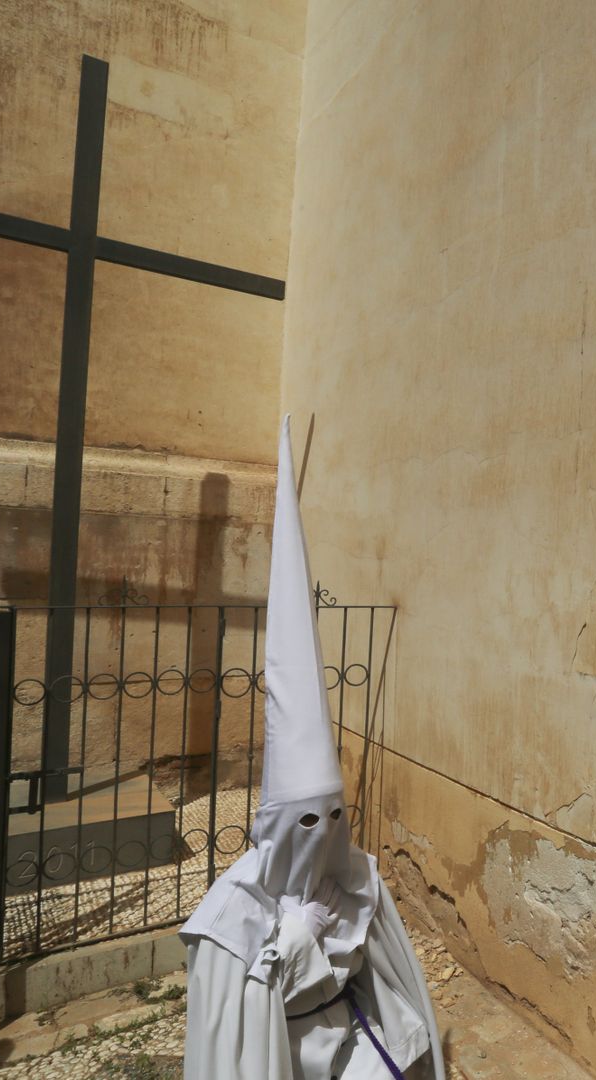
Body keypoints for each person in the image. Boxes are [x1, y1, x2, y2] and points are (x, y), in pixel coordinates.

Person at [181, 418, 445, 1080]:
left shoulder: (354, 874)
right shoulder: (231, 912)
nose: (323, 834)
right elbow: (232, 1028)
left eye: (333, 815)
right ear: (272, 826)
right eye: (305, 820)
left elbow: (389, 977)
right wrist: (295, 940)